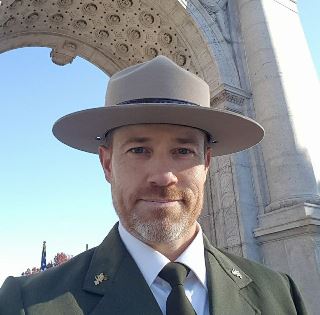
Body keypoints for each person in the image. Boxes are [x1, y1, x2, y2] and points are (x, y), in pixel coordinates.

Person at [0, 56, 307, 314]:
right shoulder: (26, 304)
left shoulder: (281, 297)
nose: (163, 176)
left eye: (183, 151)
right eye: (139, 150)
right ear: (106, 164)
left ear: (207, 163)